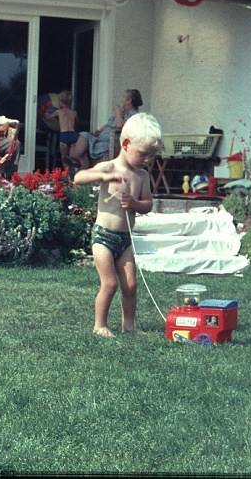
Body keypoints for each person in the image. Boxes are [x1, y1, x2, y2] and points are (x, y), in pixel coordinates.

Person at [72, 112, 163, 337]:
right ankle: (99, 325)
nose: (147, 160)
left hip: (125, 240)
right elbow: (78, 178)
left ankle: (128, 325)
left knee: (130, 285)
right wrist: (102, 177)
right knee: (110, 283)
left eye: (151, 156)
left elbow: (148, 205)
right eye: (144, 154)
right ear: (126, 144)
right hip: (103, 237)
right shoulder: (109, 168)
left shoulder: (141, 176)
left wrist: (134, 203)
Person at [67, 89, 143, 169]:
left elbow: (120, 125)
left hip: (110, 143)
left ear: (129, 101)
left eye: (124, 97)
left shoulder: (134, 116)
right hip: (100, 139)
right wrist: (99, 131)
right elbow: (109, 123)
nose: (121, 100)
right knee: (84, 136)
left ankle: (72, 162)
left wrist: (117, 110)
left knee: (81, 146)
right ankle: (77, 165)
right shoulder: (122, 113)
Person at [50, 90, 80, 160]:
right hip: (73, 135)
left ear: (61, 102)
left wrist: (42, 114)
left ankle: (66, 167)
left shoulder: (59, 112)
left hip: (64, 135)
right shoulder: (74, 112)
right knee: (73, 158)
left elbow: (48, 117)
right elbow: (77, 122)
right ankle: (74, 166)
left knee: (64, 157)